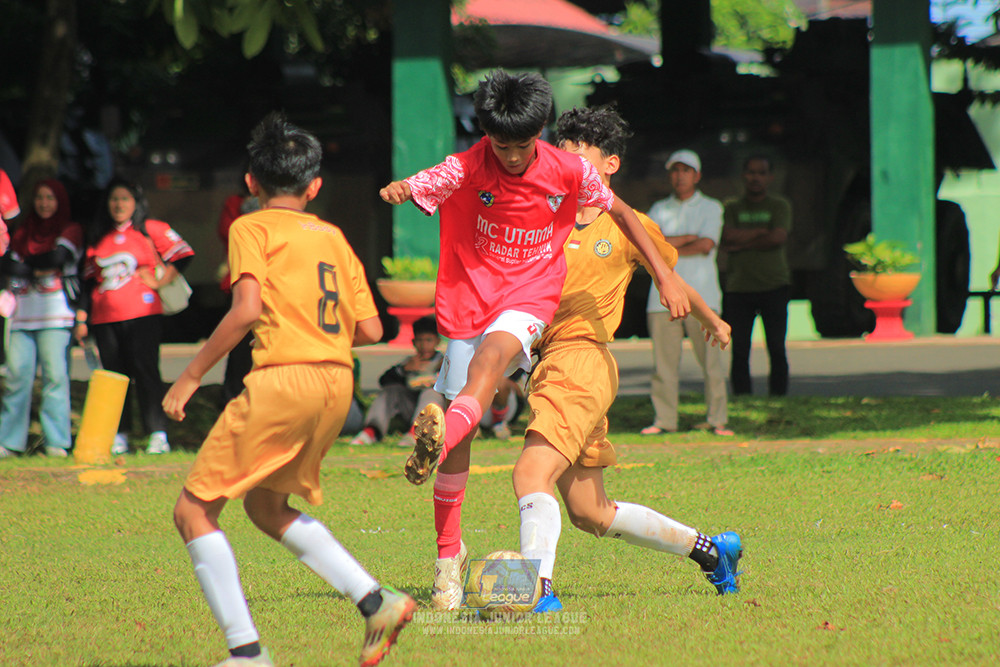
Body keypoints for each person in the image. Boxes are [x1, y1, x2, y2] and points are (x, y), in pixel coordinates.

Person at [380, 69, 691, 610]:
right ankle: (447, 556)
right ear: (486, 136)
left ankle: (444, 445)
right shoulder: (467, 165)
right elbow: (425, 181)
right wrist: (404, 188)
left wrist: (665, 277)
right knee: (560, 494)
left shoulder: (569, 169)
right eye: (503, 146)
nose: (515, 157)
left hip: (529, 299)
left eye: (524, 146)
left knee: (492, 370)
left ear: (540, 132)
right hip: (472, 293)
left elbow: (620, 210)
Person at [162, 112, 415, 667]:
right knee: (265, 506)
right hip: (336, 381)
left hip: (284, 378)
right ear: (315, 186)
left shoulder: (250, 227)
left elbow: (246, 309)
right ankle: (376, 600)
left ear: (251, 184)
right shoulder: (333, 235)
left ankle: (246, 653)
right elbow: (371, 330)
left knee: (193, 512)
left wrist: (189, 374)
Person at [511, 106, 741, 612]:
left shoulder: (628, 224)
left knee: (530, 475)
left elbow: (671, 277)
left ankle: (536, 593)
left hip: (582, 362)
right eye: (561, 148)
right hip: (552, 364)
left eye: (579, 150)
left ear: (609, 164)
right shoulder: (540, 215)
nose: (566, 157)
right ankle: (711, 551)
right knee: (590, 512)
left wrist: (711, 320)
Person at [75, 177, 194, 455]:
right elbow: (89, 280)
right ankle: (121, 433)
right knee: (115, 376)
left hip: (143, 314)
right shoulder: (98, 235)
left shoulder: (150, 229)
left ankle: (157, 433)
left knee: (146, 371)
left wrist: (161, 282)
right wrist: (82, 318)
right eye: (114, 199)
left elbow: (185, 254)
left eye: (125, 199)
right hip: (104, 317)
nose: (119, 204)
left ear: (136, 203)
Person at [643, 150, 732, 437]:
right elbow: (649, 247)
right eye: (675, 170)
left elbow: (706, 245)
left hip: (703, 296)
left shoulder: (711, 207)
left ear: (697, 175)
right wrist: (688, 239)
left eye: (686, 170)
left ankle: (717, 419)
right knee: (664, 365)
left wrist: (667, 247)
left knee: (712, 363)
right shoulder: (658, 209)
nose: (679, 175)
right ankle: (665, 419)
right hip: (661, 299)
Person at [0, 179, 83, 458]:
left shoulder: (70, 230)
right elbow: (7, 263)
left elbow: (56, 258)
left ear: (60, 200)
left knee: (55, 378)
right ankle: (10, 442)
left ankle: (56, 442)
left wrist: (27, 265)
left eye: (50, 198)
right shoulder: (23, 232)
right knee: (16, 378)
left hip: (56, 317)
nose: (44, 203)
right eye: (39, 198)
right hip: (22, 317)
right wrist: (28, 268)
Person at [720, 156, 792, 396]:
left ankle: (780, 397)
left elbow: (778, 237)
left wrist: (741, 243)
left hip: (775, 286)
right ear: (743, 175)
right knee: (740, 348)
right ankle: (742, 397)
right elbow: (726, 237)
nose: (755, 178)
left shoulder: (779, 205)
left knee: (776, 347)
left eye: (761, 173)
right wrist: (761, 232)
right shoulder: (731, 206)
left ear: (770, 177)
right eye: (751, 172)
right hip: (738, 288)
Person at [350, 315, 445, 447]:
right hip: (410, 407)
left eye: (428, 340)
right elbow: (384, 381)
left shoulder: (443, 362)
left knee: (430, 393)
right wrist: (404, 369)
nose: (424, 345)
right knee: (392, 390)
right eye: (419, 341)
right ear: (413, 342)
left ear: (437, 342)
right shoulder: (410, 362)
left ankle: (417, 433)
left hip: (436, 412)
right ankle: (371, 431)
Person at [217, 177, 260, 404]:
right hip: (241, 281)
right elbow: (227, 232)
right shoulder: (235, 203)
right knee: (239, 350)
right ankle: (232, 400)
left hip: (270, 288)